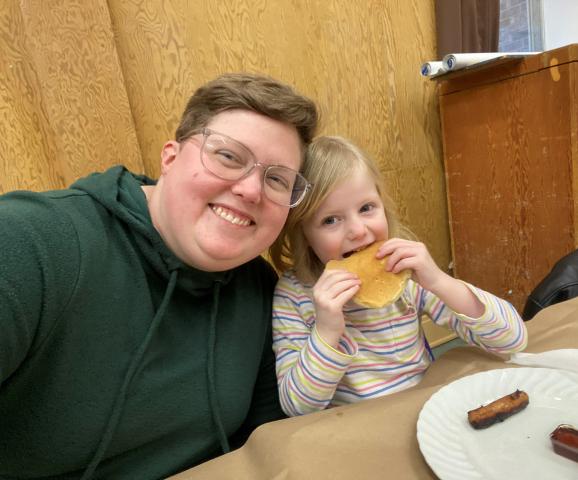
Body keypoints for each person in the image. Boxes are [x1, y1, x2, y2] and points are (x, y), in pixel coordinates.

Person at [0, 73, 318, 479]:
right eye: (229, 157)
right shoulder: (29, 244)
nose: (251, 190)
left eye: (277, 179)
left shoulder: (257, 287)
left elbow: (269, 442)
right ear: (170, 157)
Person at [269, 136, 527, 416]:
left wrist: (440, 282)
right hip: (350, 428)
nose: (357, 230)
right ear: (305, 236)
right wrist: (327, 331)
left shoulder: (404, 273)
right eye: (330, 220)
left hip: (425, 411)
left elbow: (512, 340)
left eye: (366, 208)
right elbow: (297, 408)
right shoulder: (293, 295)